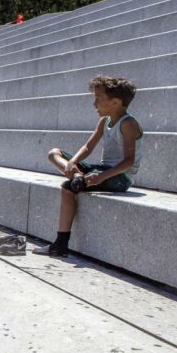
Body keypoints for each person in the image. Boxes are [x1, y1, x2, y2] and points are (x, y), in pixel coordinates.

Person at [32, 76, 144, 257]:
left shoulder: (128, 124)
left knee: (68, 188)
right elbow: (88, 147)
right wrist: (72, 162)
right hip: (100, 170)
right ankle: (77, 176)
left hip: (120, 177)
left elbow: (128, 161)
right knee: (54, 153)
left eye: (98, 99)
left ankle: (60, 244)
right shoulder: (104, 121)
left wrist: (100, 177)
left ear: (115, 102)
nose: (94, 104)